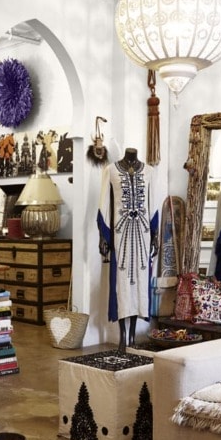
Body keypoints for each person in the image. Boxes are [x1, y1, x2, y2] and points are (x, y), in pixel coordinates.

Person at [97, 148, 158, 351]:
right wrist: (103, 236)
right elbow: (104, 205)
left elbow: (152, 205)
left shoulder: (149, 171)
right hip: (120, 236)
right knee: (122, 284)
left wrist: (155, 235)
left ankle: (132, 336)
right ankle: (124, 337)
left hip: (142, 236)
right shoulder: (110, 170)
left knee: (139, 284)